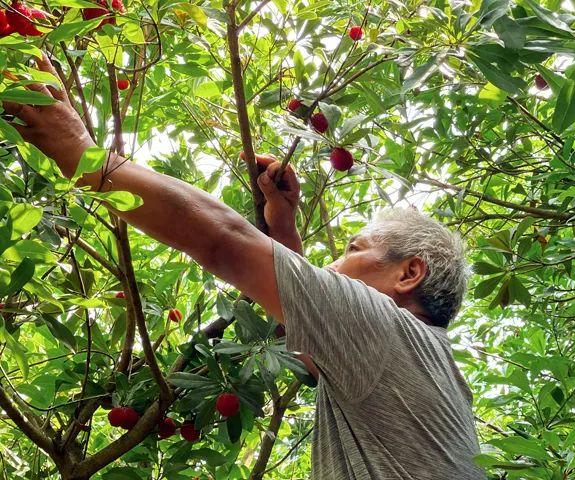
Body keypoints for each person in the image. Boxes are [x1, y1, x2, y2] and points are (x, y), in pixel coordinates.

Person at [3, 54, 485, 479]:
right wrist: (284, 225)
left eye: (353, 248)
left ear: (408, 274)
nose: (333, 264)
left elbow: (223, 240)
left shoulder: (387, 333)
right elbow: (311, 350)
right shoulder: (422, 370)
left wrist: (84, 156)